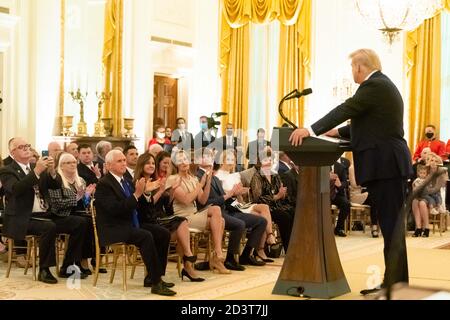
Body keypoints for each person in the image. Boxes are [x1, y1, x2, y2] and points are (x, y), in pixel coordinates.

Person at [289, 49, 413, 292]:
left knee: (391, 228)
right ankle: (394, 283)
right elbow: (372, 122)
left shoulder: (373, 86)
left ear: (359, 67)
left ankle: (396, 287)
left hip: (386, 165)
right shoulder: (382, 85)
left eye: (352, 69)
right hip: (388, 164)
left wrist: (311, 130)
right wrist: (338, 132)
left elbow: (346, 109)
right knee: (391, 228)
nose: (352, 73)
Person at [94, 150, 176, 296]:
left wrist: (146, 193)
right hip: (113, 227)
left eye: (124, 160)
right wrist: (137, 194)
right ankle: (156, 283)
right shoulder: (104, 184)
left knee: (162, 233)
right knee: (145, 236)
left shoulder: (125, 180)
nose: (124, 163)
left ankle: (154, 276)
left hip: (129, 223)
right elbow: (115, 210)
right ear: (108, 165)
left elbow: (141, 205)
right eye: (119, 161)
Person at [134, 153, 204, 282]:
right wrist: (161, 190)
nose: (151, 166)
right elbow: (145, 207)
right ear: (141, 165)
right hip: (146, 220)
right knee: (181, 228)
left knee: (183, 223)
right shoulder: (139, 182)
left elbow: (167, 206)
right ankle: (187, 261)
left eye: (152, 163)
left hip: (160, 217)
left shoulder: (156, 181)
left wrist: (171, 193)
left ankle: (187, 261)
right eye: (148, 163)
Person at [0, 138, 62, 283]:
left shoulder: (36, 166)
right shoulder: (6, 170)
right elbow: (16, 189)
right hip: (22, 218)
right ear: (12, 152)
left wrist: (52, 172)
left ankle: (71, 264)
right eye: (22, 147)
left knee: (79, 222)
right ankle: (44, 270)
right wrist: (36, 172)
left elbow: (55, 186)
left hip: (44, 213)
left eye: (28, 145)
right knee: (49, 227)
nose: (27, 148)